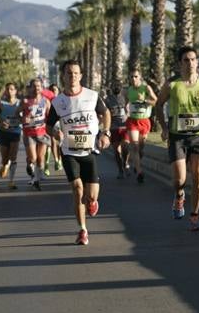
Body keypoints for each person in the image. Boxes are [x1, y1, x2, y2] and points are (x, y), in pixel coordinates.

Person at [155, 45, 199, 232]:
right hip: (177, 136)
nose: (191, 63)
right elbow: (158, 105)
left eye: (193, 59)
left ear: (197, 62)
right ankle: (179, 197)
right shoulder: (171, 84)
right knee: (179, 180)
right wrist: (164, 128)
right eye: (186, 60)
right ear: (180, 63)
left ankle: (194, 216)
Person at [46, 60, 111, 246]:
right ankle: (82, 229)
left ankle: (92, 202)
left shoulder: (92, 96)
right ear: (63, 77)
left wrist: (105, 133)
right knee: (76, 188)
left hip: (89, 150)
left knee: (91, 196)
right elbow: (49, 125)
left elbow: (106, 114)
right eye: (68, 73)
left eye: (75, 73)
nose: (72, 76)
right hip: (68, 150)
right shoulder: (58, 102)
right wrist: (55, 133)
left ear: (80, 76)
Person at [122, 69, 158, 184]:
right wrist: (126, 108)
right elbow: (127, 103)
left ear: (140, 77)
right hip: (133, 120)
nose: (133, 79)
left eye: (136, 76)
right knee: (135, 147)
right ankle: (139, 172)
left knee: (141, 148)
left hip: (144, 121)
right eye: (131, 77)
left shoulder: (146, 88)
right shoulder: (129, 90)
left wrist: (145, 100)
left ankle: (136, 164)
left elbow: (155, 101)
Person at [21, 78, 52, 190]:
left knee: (40, 158)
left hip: (42, 132)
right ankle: (30, 163)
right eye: (34, 86)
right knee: (33, 158)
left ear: (41, 88)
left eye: (38, 86)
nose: (36, 88)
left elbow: (49, 117)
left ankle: (37, 180)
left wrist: (53, 128)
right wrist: (24, 119)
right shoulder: (25, 101)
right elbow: (17, 113)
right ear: (30, 88)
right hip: (29, 133)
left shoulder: (46, 101)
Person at [0, 82, 24, 189]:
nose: (10, 91)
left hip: (15, 131)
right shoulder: (1, 103)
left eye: (12, 89)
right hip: (3, 133)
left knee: (13, 157)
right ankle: (5, 165)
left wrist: (21, 120)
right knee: (5, 159)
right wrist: (1, 121)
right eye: (8, 89)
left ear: (15, 91)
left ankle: (11, 181)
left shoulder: (20, 103)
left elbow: (24, 116)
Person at [104, 84, 129, 177]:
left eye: (118, 86)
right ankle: (120, 170)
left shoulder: (125, 97)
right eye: (114, 86)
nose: (116, 88)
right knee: (116, 151)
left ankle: (125, 163)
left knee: (125, 148)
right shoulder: (108, 100)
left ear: (121, 88)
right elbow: (105, 113)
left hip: (124, 127)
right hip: (113, 127)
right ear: (111, 88)